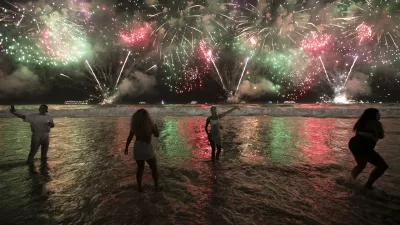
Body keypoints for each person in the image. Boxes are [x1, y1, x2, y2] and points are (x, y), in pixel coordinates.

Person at [348, 108, 388, 190]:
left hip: (354, 144)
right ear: (373, 115)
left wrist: (369, 135)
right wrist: (371, 136)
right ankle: (368, 185)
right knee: (382, 166)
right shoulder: (374, 123)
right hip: (363, 146)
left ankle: (350, 180)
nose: (380, 115)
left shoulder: (363, 122)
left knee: (361, 165)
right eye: (378, 113)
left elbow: (378, 136)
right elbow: (379, 137)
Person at [124, 109, 160, 192]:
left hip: (137, 149)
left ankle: (139, 188)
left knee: (140, 169)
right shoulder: (150, 124)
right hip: (147, 149)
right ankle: (156, 188)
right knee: (154, 169)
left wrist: (126, 148)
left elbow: (130, 137)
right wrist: (155, 126)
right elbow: (157, 135)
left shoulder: (135, 125)